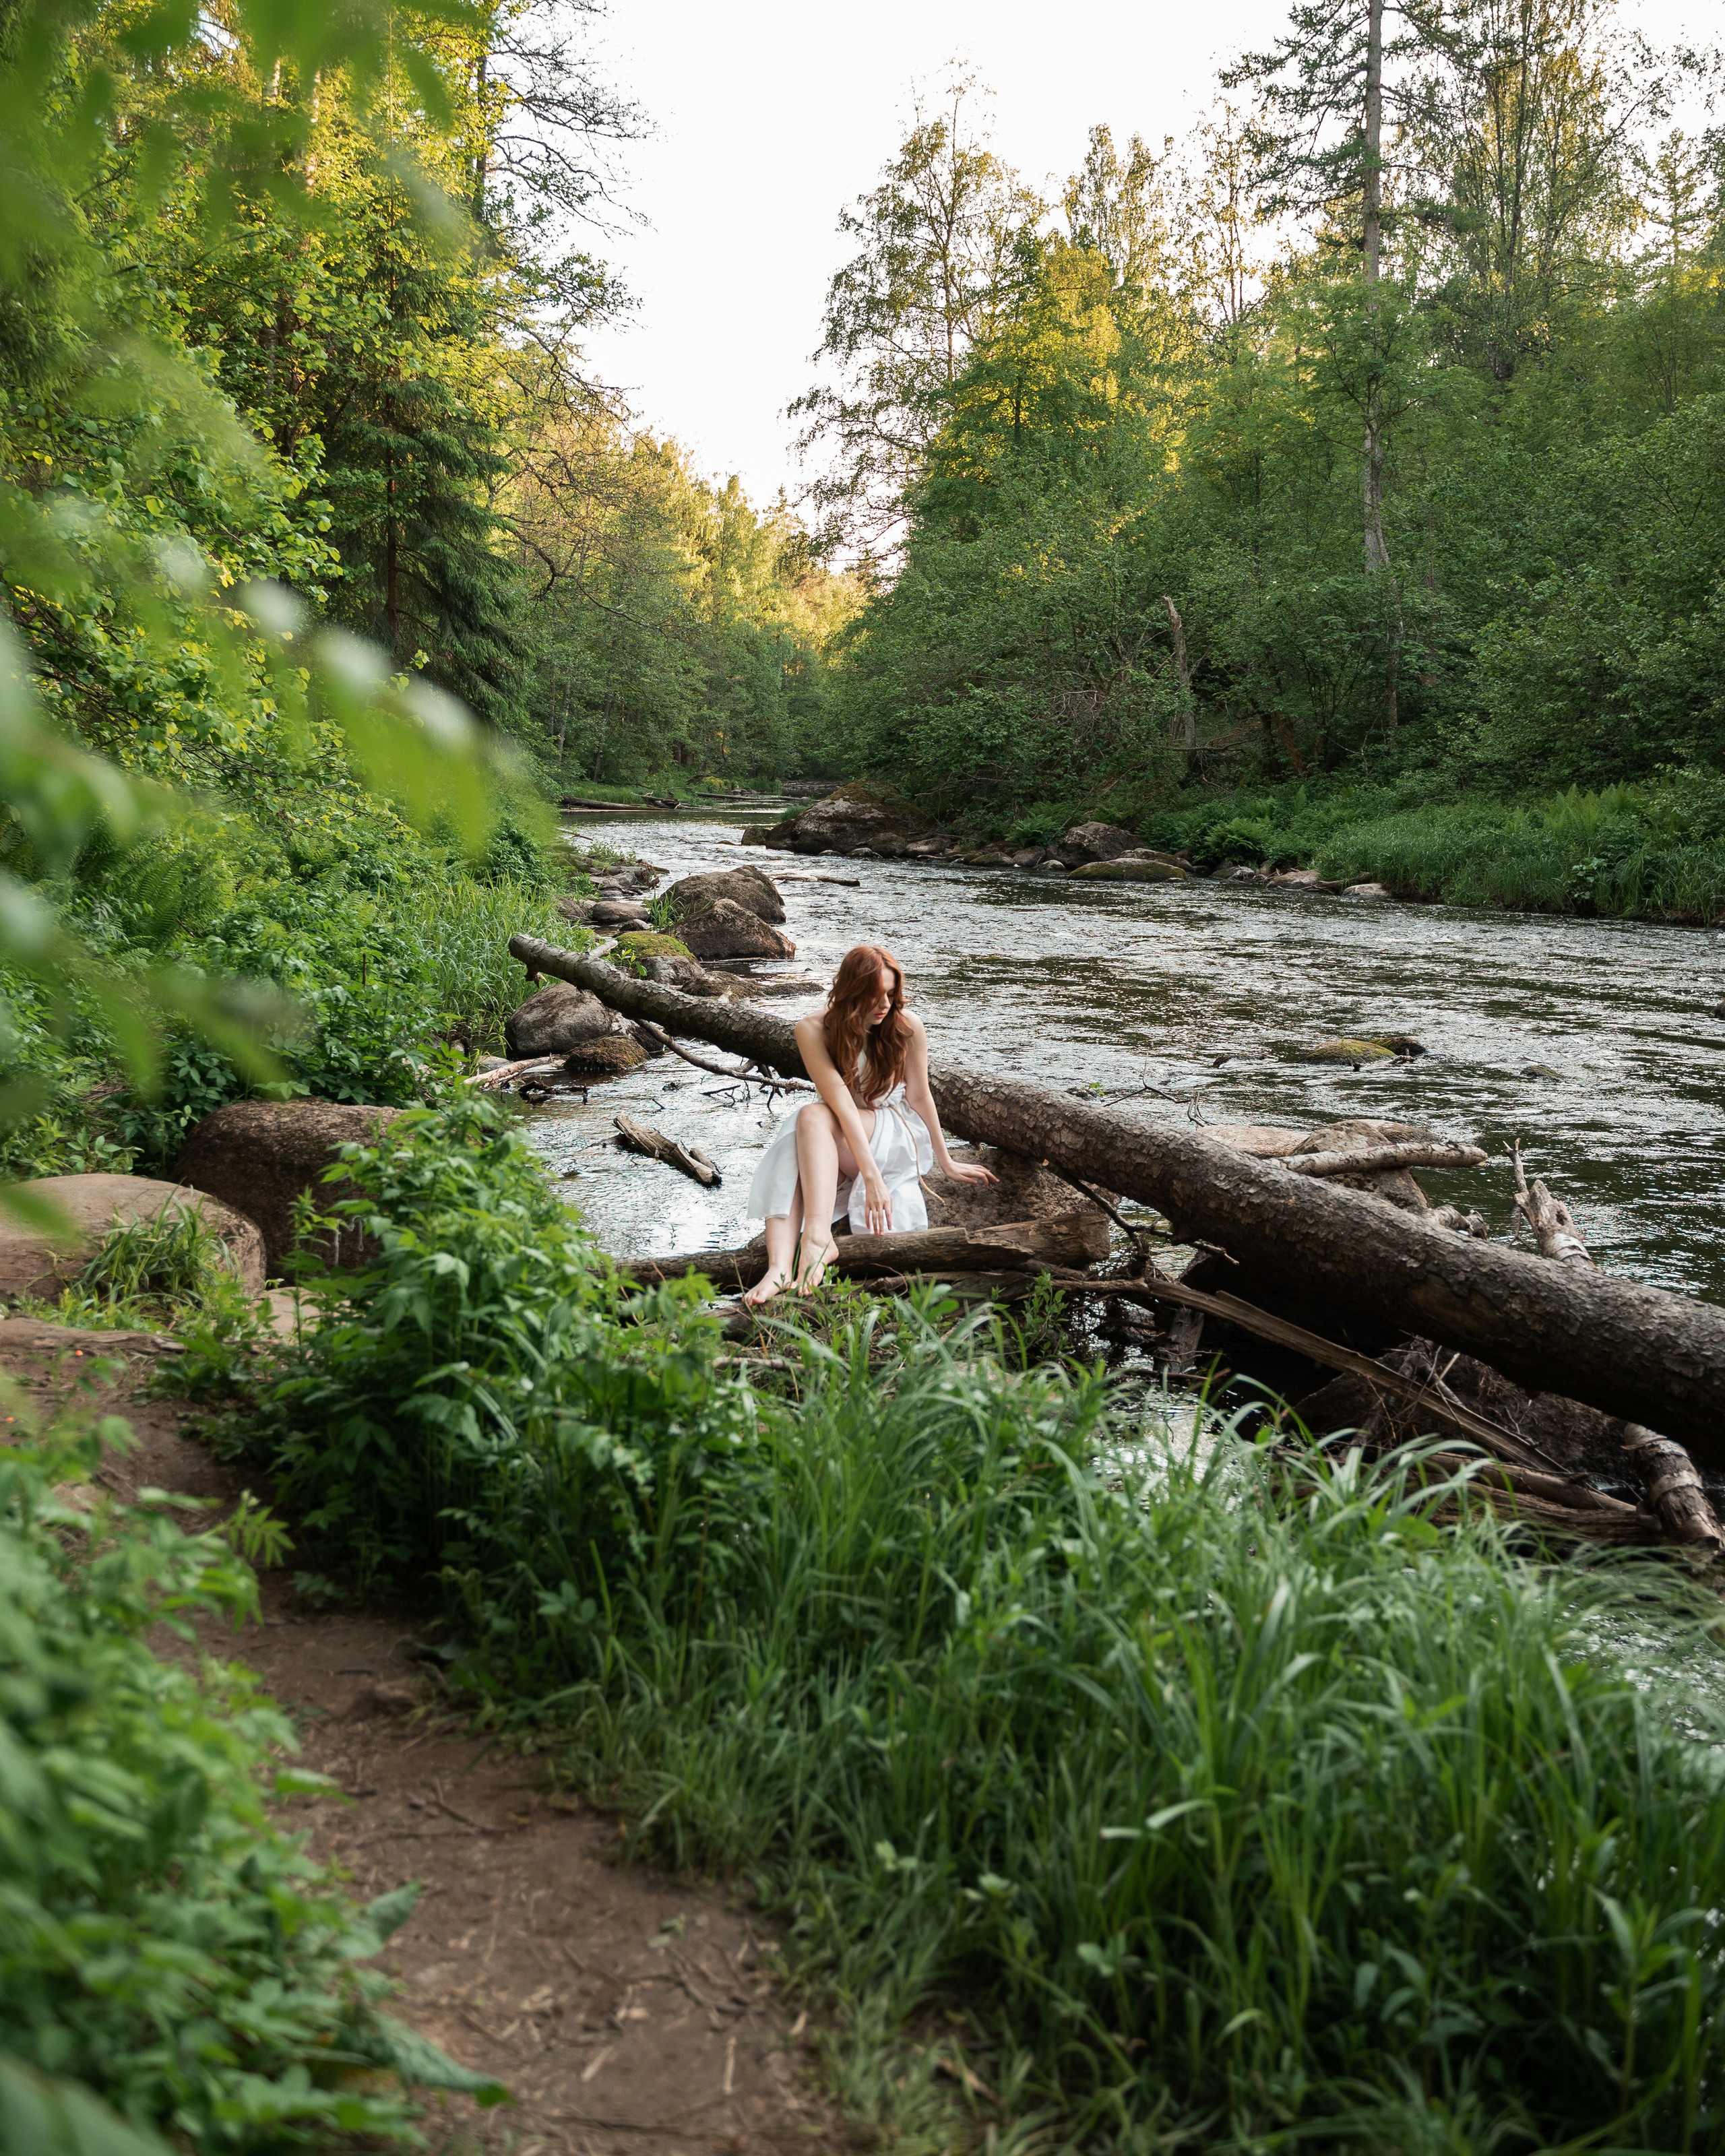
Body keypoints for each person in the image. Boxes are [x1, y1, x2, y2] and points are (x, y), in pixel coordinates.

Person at [743, 943, 997, 1303]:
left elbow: (920, 1097)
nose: (885, 1005)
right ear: (851, 991)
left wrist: (945, 1160)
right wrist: (869, 1175)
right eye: (875, 995)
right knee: (798, 1137)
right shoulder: (812, 1028)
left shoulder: (907, 1027)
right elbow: (840, 1103)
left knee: (811, 1117)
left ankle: (817, 1239)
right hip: (843, 1129)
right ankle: (778, 1269)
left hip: (893, 1130)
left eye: (891, 994)